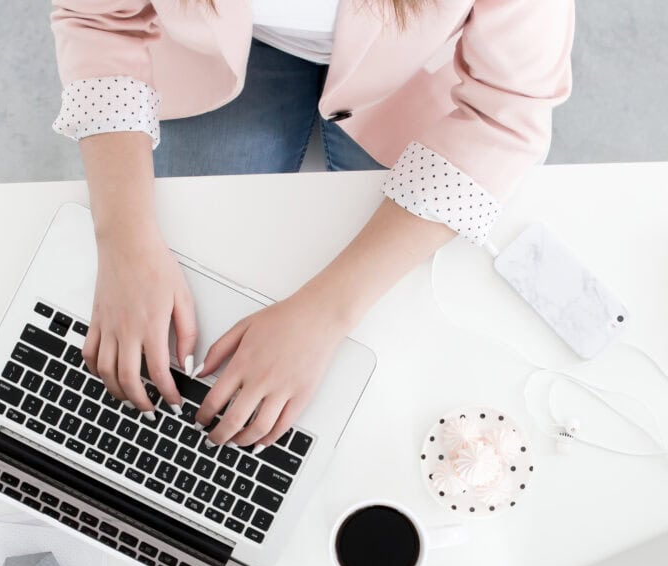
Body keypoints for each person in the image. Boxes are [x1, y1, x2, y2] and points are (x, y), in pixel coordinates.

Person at [50, 0, 574, 453]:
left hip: (410, 73)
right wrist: (123, 239)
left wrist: (323, 315)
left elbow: (505, 111)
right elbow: (99, 21)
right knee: (199, 292)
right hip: (215, 49)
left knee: (393, 349)